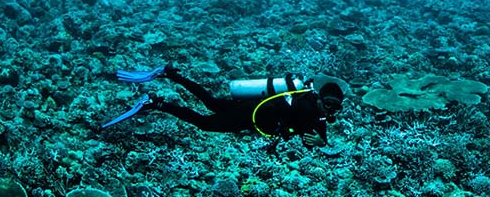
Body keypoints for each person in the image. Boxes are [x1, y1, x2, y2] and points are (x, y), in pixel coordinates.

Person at [103, 65, 344, 148]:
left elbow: (317, 128)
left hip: (254, 105)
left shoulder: (311, 105)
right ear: (319, 99)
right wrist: (322, 141)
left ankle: (171, 74)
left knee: (211, 103)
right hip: (250, 115)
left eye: (336, 106)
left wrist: (321, 137)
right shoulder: (308, 110)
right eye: (328, 103)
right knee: (205, 123)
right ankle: (156, 103)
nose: (331, 109)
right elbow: (309, 132)